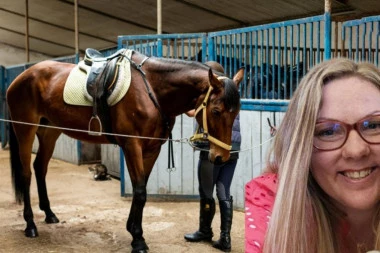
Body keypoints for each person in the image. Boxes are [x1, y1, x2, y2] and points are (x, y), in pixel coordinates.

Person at [245, 58, 380, 253]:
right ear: (301, 148)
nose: (356, 150)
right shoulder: (268, 202)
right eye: (328, 132)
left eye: (374, 125)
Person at [184, 61, 241, 252]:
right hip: (233, 149)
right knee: (224, 192)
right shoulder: (232, 91)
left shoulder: (214, 96)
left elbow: (197, 114)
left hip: (213, 149)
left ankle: (205, 230)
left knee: (206, 191)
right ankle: (225, 238)